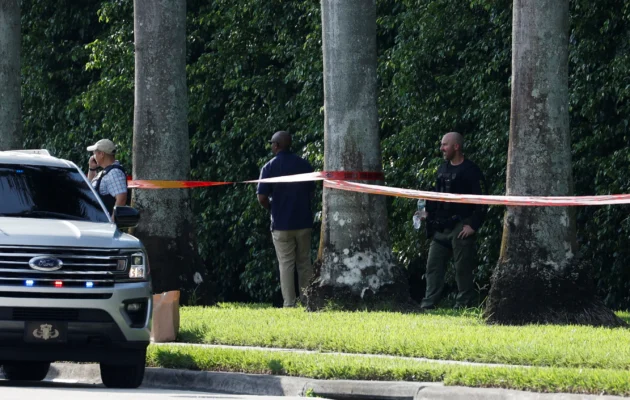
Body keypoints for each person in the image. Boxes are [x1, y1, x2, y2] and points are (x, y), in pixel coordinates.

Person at [417, 132, 486, 310]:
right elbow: (437, 196)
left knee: (462, 268)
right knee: (433, 267)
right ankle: (428, 304)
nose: (441, 148)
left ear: (456, 146)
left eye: (445, 144)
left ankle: (464, 304)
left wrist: (473, 225)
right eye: (441, 144)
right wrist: (427, 213)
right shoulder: (442, 169)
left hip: (460, 226)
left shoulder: (471, 171)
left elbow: (482, 201)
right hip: (441, 227)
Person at [257, 131, 315, 308]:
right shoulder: (305, 165)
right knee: (304, 262)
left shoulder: (269, 167)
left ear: (276, 145)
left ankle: (289, 304)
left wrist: (272, 208)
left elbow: (261, 197)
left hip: (281, 224)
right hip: (303, 222)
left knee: (286, 264)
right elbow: (311, 192)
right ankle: (307, 301)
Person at [86, 139, 128, 215]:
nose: (93, 156)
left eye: (94, 153)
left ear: (101, 154)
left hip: (105, 224)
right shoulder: (106, 172)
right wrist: (92, 169)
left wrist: (112, 222)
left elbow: (121, 199)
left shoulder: (114, 172)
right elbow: (91, 189)